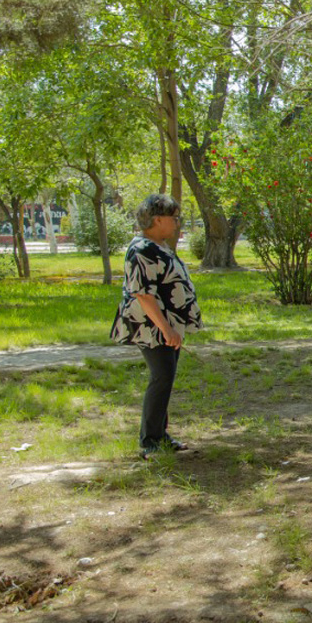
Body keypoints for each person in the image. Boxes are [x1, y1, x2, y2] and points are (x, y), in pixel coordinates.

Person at [110, 195, 202, 460]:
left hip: (165, 326)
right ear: (158, 219)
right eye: (174, 217)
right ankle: (150, 440)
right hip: (151, 327)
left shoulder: (156, 246)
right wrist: (166, 328)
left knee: (166, 378)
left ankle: (160, 435)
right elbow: (143, 295)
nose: (177, 222)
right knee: (161, 378)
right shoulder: (141, 250)